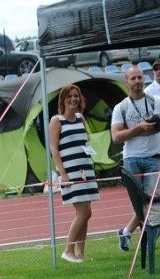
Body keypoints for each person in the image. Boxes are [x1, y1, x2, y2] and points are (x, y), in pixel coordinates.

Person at [112, 65, 160, 251]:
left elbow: (158, 126)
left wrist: (134, 131)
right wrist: (139, 129)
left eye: (140, 77)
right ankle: (146, 241)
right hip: (132, 159)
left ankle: (126, 231)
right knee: (139, 203)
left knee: (151, 201)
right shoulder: (120, 107)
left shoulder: (156, 101)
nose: (137, 81)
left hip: (154, 157)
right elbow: (116, 137)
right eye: (133, 78)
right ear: (126, 82)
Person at [48, 84, 100, 263]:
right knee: (83, 213)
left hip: (85, 169)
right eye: (69, 96)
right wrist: (63, 174)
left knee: (87, 212)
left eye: (76, 96)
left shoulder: (80, 118)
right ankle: (68, 250)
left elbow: (85, 141)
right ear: (63, 99)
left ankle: (80, 252)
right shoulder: (56, 120)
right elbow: (54, 149)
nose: (73, 99)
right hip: (69, 172)